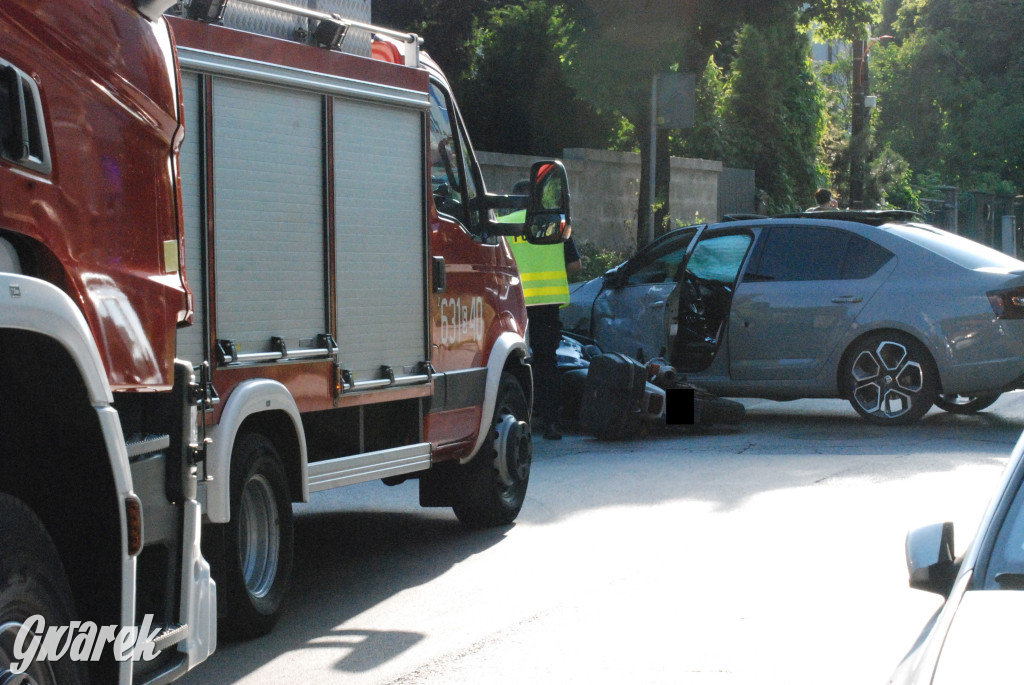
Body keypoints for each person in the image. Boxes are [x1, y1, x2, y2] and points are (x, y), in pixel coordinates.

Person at [502, 181, 580, 440]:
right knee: (548, 362)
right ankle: (552, 422)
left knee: (516, 363)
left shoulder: (505, 224)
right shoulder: (554, 224)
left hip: (515, 304)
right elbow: (575, 265)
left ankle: (518, 421)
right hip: (547, 303)